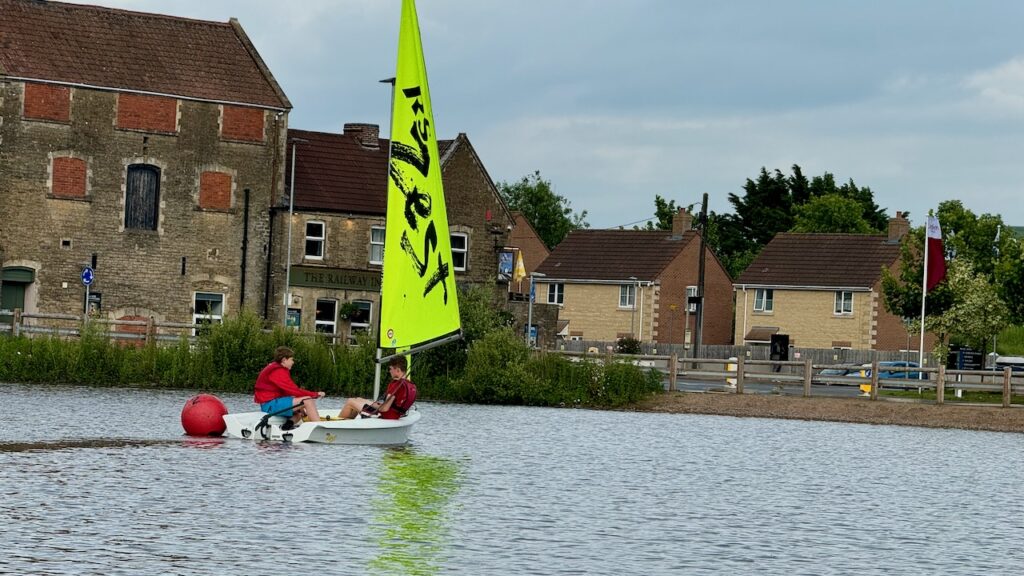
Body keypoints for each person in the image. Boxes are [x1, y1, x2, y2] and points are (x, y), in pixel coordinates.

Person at [254, 346, 325, 430]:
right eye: (291, 359)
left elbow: (288, 392)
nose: (293, 362)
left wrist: (300, 406)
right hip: (270, 405)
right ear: (284, 360)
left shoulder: (278, 369)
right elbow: (294, 390)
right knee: (308, 401)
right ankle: (320, 429)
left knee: (299, 413)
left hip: (272, 403)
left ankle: (286, 427)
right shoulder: (278, 371)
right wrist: (315, 394)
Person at [339, 355, 415, 420]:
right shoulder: (410, 385)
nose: (390, 371)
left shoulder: (396, 384)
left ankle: (339, 426)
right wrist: (373, 404)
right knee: (358, 399)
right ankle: (348, 422)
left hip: (383, 415)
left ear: (398, 370)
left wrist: (375, 405)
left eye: (391, 369)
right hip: (395, 415)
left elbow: (384, 409)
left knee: (350, 402)